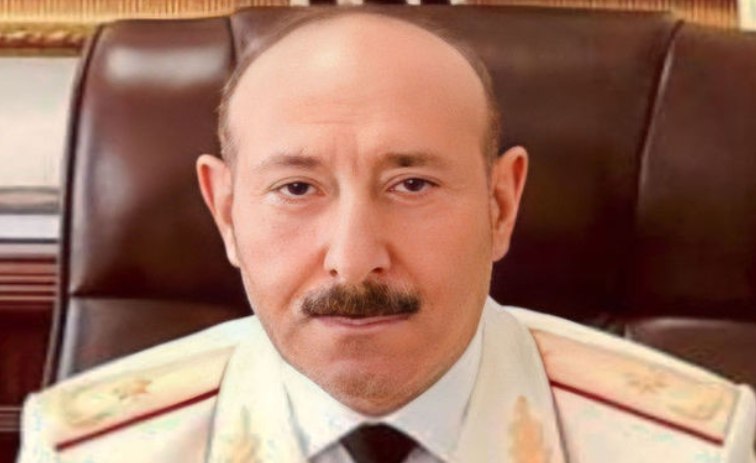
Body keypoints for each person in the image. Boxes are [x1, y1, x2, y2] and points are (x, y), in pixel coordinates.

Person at [17, 9, 756, 463]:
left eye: (412, 185)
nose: (353, 259)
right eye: (297, 189)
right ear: (226, 212)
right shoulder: (89, 449)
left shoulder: (688, 448)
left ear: (501, 205)